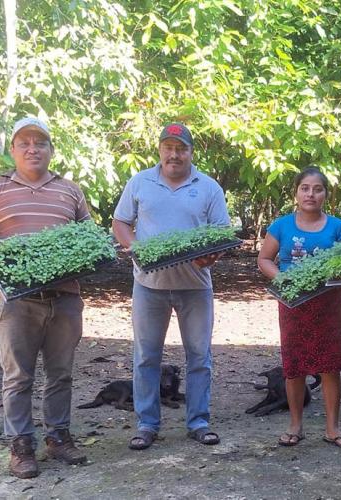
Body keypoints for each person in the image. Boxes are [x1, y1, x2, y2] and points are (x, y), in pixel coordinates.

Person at [0, 117, 90, 479]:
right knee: (18, 376)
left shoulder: (70, 190)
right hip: (18, 300)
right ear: (14, 150)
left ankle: (59, 437)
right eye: (25, 143)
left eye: (41, 142)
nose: (33, 148)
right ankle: (21, 445)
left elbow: (88, 237)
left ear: (51, 149)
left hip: (65, 298)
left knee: (61, 374)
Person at [112, 122, 230, 450]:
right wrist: (133, 247)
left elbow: (221, 232)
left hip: (195, 286)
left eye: (181, 148)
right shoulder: (140, 182)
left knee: (199, 356)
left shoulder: (208, 187)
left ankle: (198, 422)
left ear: (191, 152)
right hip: (149, 286)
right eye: (169, 147)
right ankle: (147, 424)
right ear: (160, 150)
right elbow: (121, 222)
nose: (174, 154)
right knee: (146, 357)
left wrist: (211, 256)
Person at [257, 166, 341, 450]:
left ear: (326, 194)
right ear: (296, 193)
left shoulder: (339, 227)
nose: (310, 194)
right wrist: (284, 277)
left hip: (329, 306)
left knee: (330, 366)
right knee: (294, 366)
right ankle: (295, 426)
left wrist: (335, 273)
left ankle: (332, 429)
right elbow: (265, 259)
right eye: (305, 188)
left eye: (317, 189)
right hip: (293, 304)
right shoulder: (281, 225)